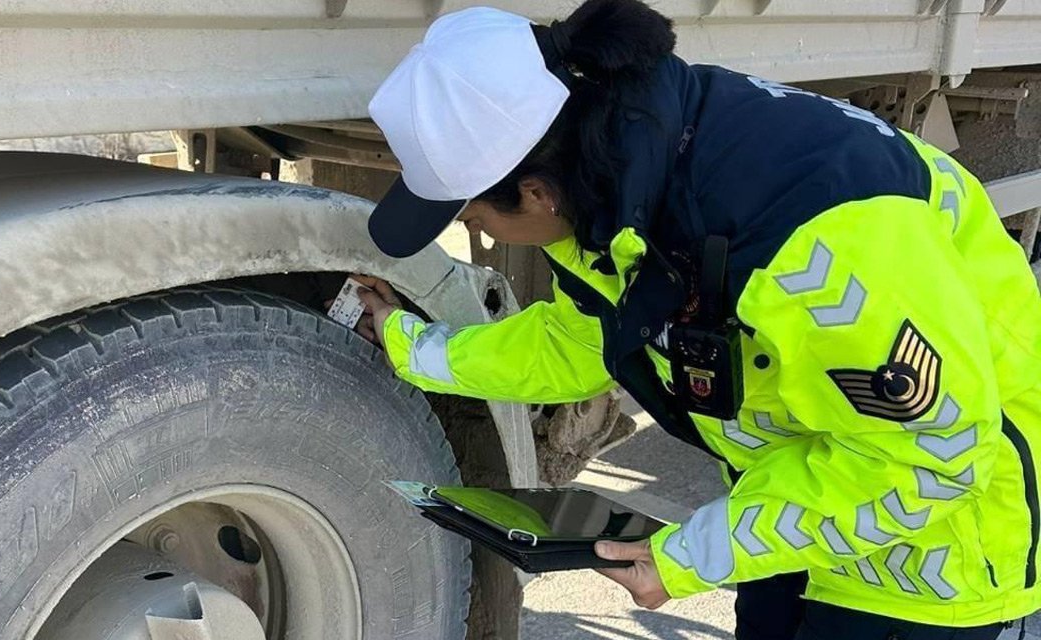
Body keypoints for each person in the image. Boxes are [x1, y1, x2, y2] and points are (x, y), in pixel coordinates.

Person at [353, 1, 1041, 639]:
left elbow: (933, 459)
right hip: (798, 512)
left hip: (933, 560)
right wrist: (415, 348)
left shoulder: (817, 247)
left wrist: (690, 557)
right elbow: (583, 340)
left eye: (474, 216)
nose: (480, 229)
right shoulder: (621, 178)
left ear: (534, 193)